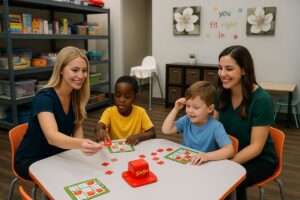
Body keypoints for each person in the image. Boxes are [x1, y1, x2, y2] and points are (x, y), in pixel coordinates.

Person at [15, 46, 102, 180]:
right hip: (32, 160)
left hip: (57, 153)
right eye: (75, 70)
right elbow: (52, 136)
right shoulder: (43, 97)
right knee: (67, 178)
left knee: (85, 170)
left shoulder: (76, 95)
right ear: (61, 69)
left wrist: (80, 150)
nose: (81, 76)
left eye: (84, 71)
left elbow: (77, 125)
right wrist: (81, 144)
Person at [214, 45, 277, 199]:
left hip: (260, 159)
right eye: (220, 68)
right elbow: (213, 128)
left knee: (231, 180)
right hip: (229, 151)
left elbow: (256, 147)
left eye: (229, 69)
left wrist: (229, 163)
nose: (222, 74)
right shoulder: (222, 93)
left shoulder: (262, 100)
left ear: (243, 70)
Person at [162, 81, 234, 165]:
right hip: (188, 163)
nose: (190, 111)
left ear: (210, 109)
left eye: (196, 107)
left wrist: (206, 156)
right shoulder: (186, 120)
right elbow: (166, 130)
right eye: (188, 106)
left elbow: (229, 150)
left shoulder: (216, 127)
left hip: (206, 166)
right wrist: (176, 109)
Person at [94, 75, 156, 145]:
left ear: (135, 98)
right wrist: (100, 129)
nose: (121, 100)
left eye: (127, 97)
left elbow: (152, 133)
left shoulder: (141, 112)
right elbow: (99, 125)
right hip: (115, 151)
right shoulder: (109, 112)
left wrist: (138, 136)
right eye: (118, 95)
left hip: (134, 150)